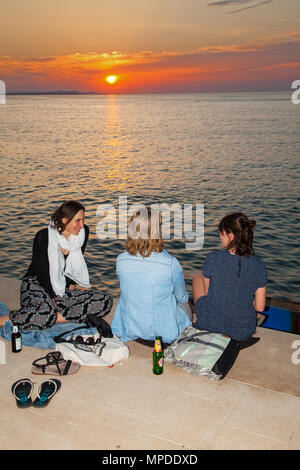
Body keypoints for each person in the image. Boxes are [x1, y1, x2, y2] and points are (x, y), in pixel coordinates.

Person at [0, 200, 113, 330]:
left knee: (105, 300)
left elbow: (75, 263)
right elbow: (42, 271)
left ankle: (52, 317)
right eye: (77, 221)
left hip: (62, 287)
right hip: (37, 282)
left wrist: (71, 283)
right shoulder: (44, 236)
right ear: (64, 220)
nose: (81, 225)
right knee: (46, 314)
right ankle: (10, 319)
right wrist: (52, 296)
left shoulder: (82, 233)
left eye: (83, 220)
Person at [111, 206, 192, 344]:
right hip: (162, 332)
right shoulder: (170, 263)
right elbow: (181, 297)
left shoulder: (121, 259)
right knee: (185, 303)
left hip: (131, 328)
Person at [192, 212, 267, 342]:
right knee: (250, 304)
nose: (220, 237)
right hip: (243, 332)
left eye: (221, 233)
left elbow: (209, 293)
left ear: (230, 235)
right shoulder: (259, 264)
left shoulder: (213, 258)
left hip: (210, 326)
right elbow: (260, 307)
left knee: (197, 278)